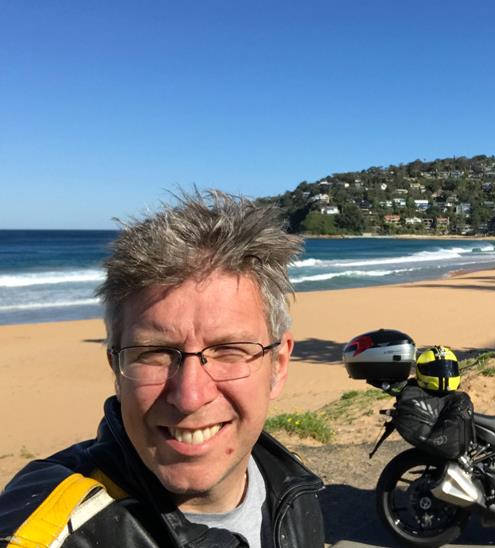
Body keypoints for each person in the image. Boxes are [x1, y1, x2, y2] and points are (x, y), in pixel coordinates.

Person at [0, 190, 324, 547]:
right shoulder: (52, 532)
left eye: (228, 350)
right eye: (155, 353)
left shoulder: (290, 483)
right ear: (116, 369)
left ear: (278, 365)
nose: (190, 396)